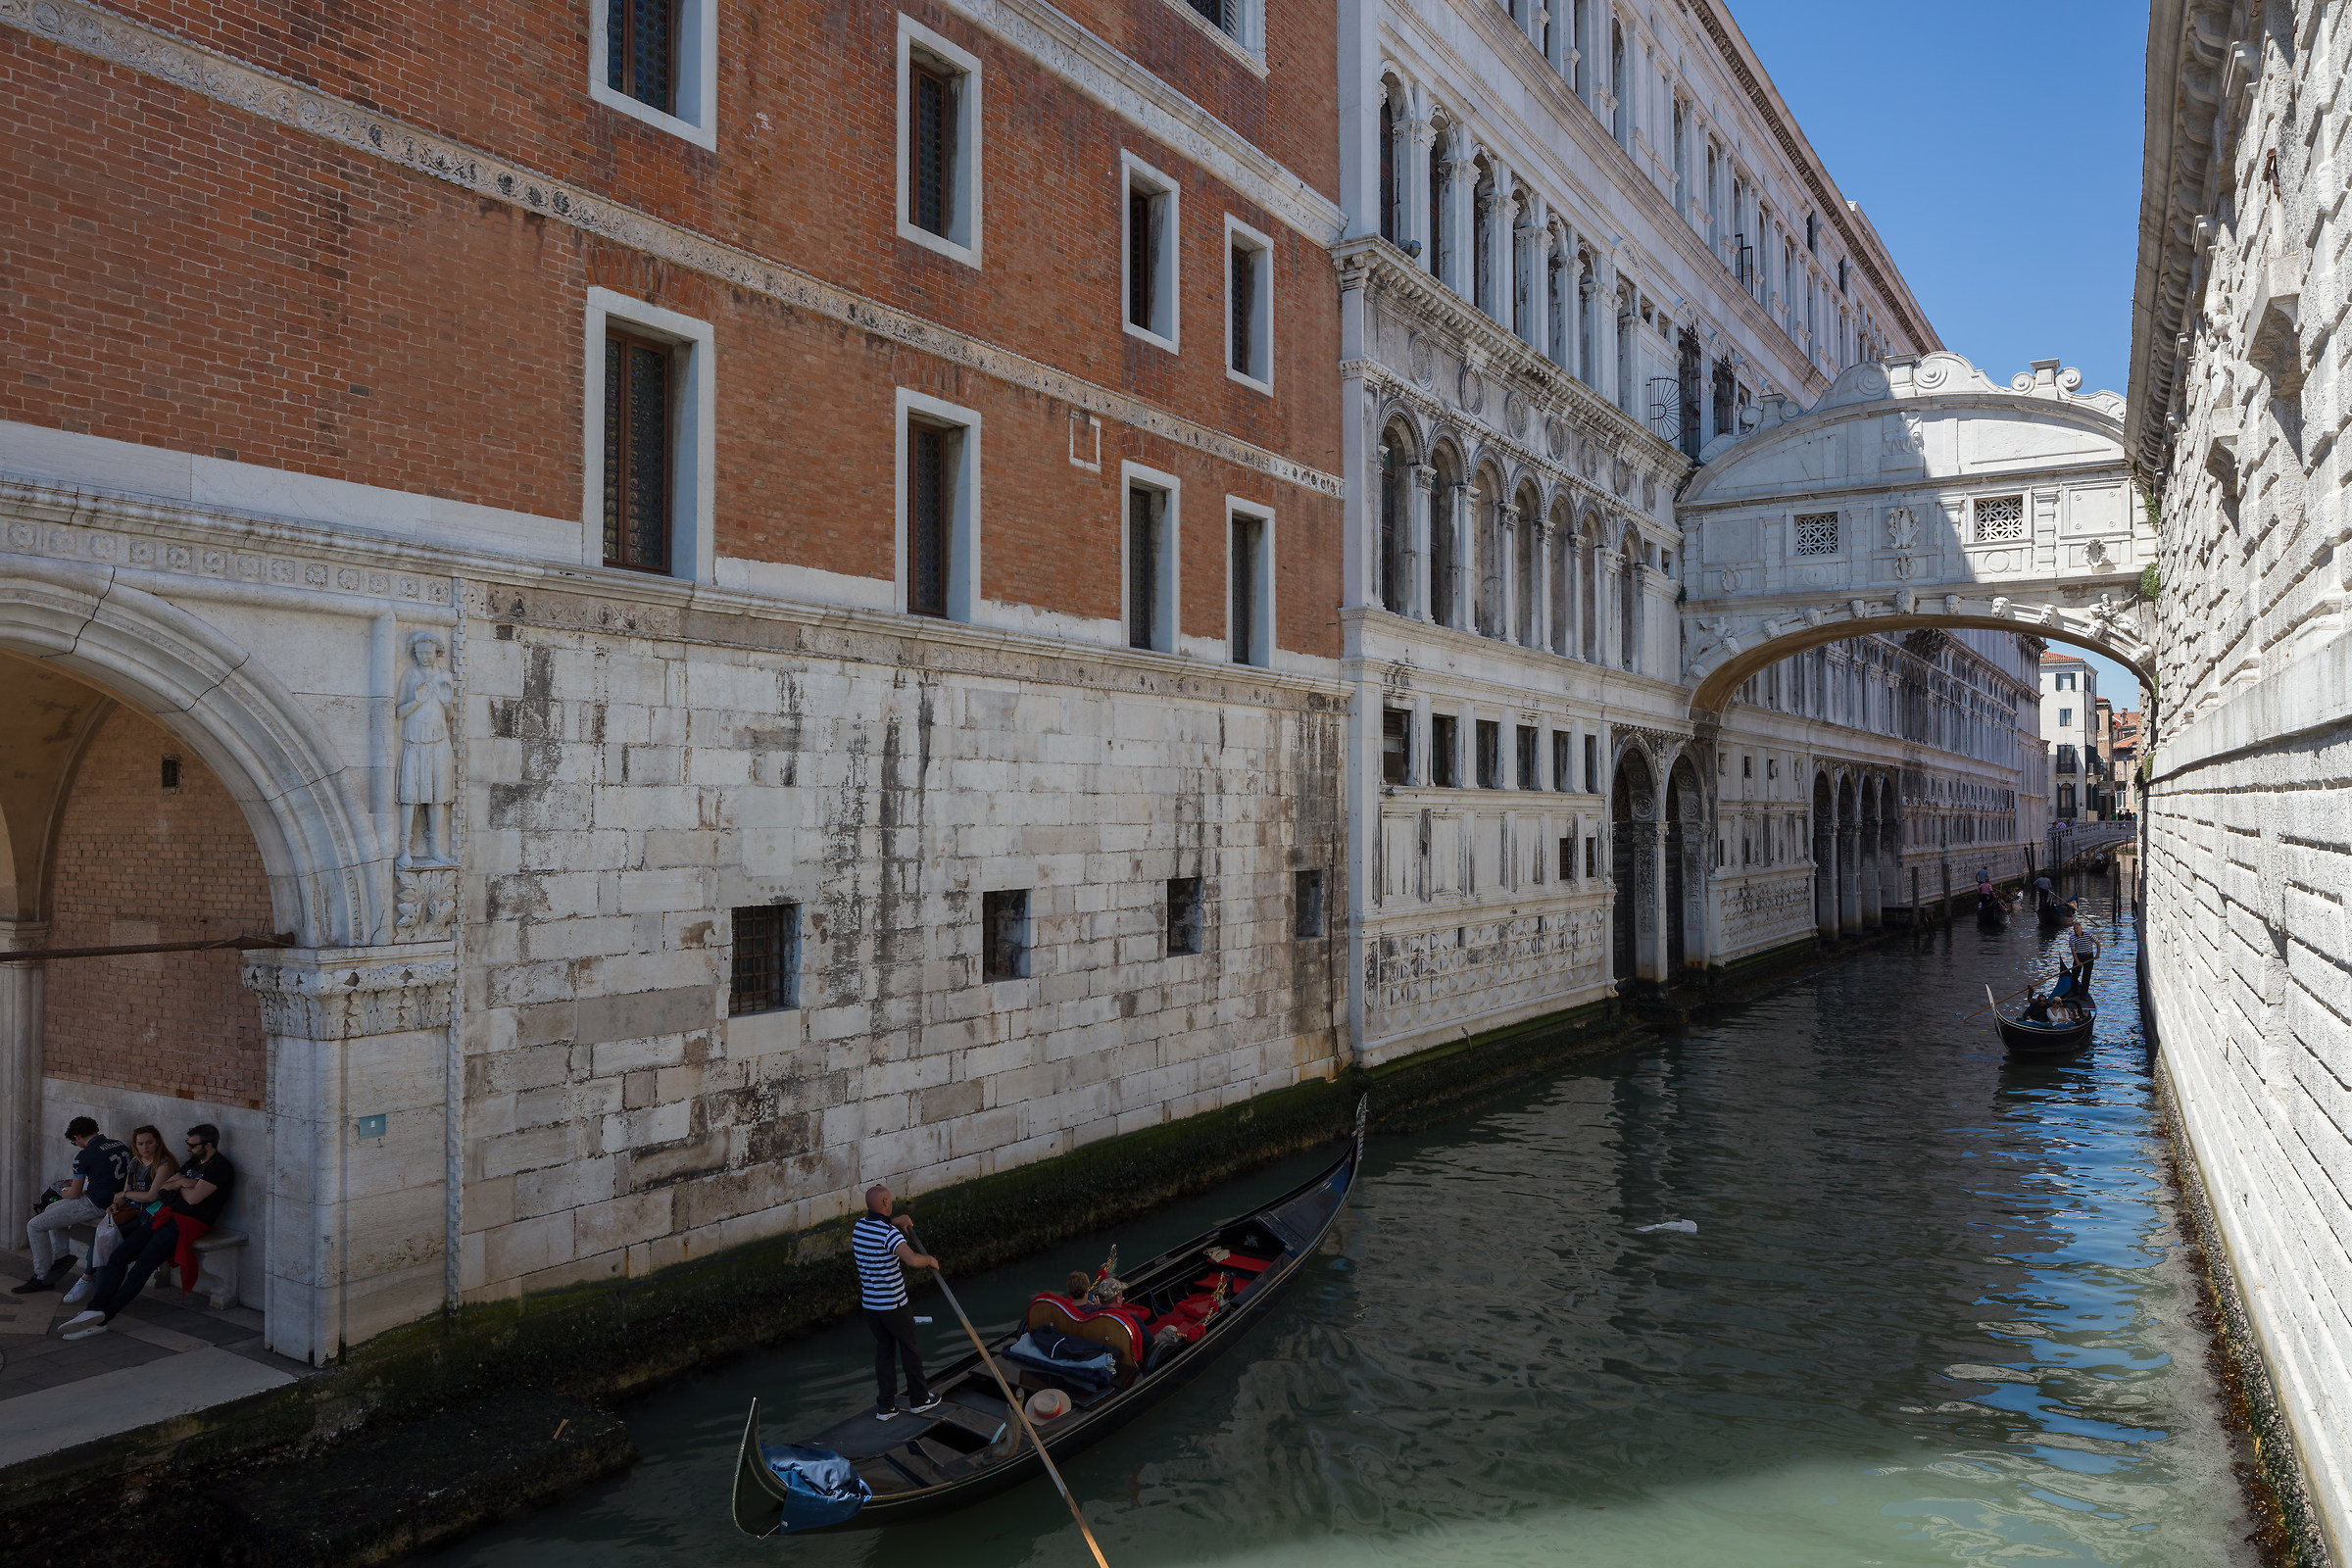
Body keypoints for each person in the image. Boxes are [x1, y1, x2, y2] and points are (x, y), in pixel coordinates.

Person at [58, 1123, 232, 1340]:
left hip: (186, 1224)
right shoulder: (195, 1162)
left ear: (208, 1145)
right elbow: (166, 1186)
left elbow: (193, 1198)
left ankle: (104, 1317)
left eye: (192, 1144)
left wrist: (180, 1184)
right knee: (118, 1256)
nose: (187, 1148)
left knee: (142, 1267)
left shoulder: (220, 1167)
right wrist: (183, 1183)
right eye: (187, 1144)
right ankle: (95, 1308)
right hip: (162, 1216)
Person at [854, 1183, 941, 1421]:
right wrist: (930, 1260)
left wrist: (896, 1220)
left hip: (871, 1306)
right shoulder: (889, 1234)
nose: (890, 1202)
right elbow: (912, 1260)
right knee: (910, 1349)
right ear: (884, 1203)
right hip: (894, 1305)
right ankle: (920, 1400)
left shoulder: (860, 1227)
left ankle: (886, 1406)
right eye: (889, 1200)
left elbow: (880, 1229)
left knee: (884, 1351)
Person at [15, 1116, 128, 1296]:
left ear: (77, 1137)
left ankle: (41, 1277)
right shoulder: (119, 1144)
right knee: (51, 1210)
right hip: (119, 1198)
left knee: (34, 1225)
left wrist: (62, 1192)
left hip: (98, 1203)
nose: (78, 1146)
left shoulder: (84, 1155)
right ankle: (61, 1257)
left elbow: (74, 1194)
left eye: (75, 1143)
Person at [66, 1125, 177, 1305]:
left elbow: (151, 1196)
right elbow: (127, 1191)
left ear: (157, 1142)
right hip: (132, 1211)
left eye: (149, 1142)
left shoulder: (164, 1164)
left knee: (113, 1252)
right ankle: (92, 1289)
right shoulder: (135, 1162)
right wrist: (115, 1204)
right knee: (104, 1239)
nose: (145, 1147)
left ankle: (96, 1291)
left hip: (151, 1215)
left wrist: (124, 1196)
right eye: (140, 1144)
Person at [2069, 919, 2101, 990]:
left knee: (2086, 976)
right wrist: (2077, 961)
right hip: (2079, 956)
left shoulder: (2089, 935)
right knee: (2074, 975)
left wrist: (2097, 954)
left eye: (2077, 928)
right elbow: (2073, 951)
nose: (2075, 930)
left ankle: (2083, 993)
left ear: (2081, 928)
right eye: (2074, 929)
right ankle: (2074, 991)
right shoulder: (2072, 938)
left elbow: (2098, 943)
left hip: (2089, 956)